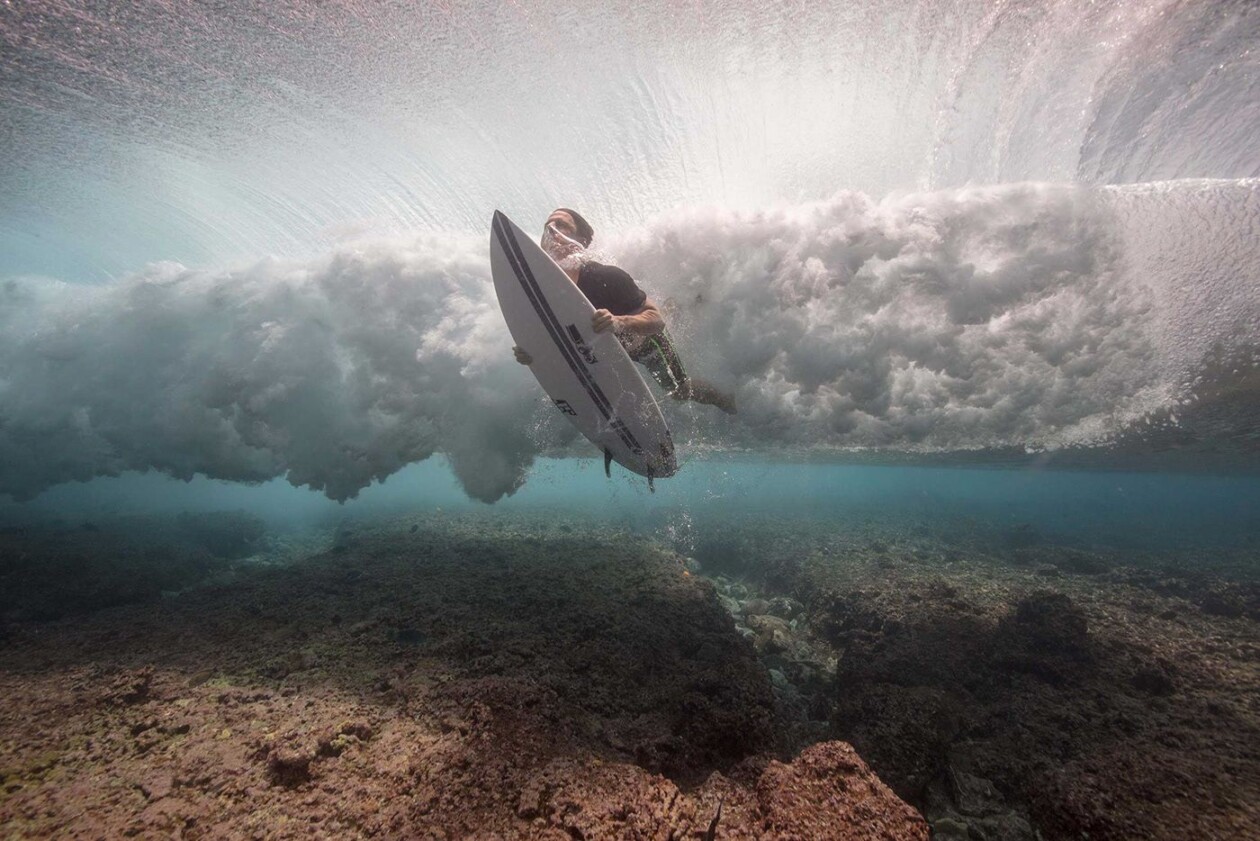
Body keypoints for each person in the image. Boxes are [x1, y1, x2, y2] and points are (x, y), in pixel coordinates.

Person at [513, 208, 736, 414]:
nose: (551, 232)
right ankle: (674, 305)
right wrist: (533, 354)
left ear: (579, 241)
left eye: (562, 226)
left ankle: (726, 399)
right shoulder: (543, 292)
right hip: (609, 351)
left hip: (646, 343)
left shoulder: (605, 276)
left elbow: (656, 321)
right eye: (547, 227)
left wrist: (619, 322)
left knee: (680, 391)